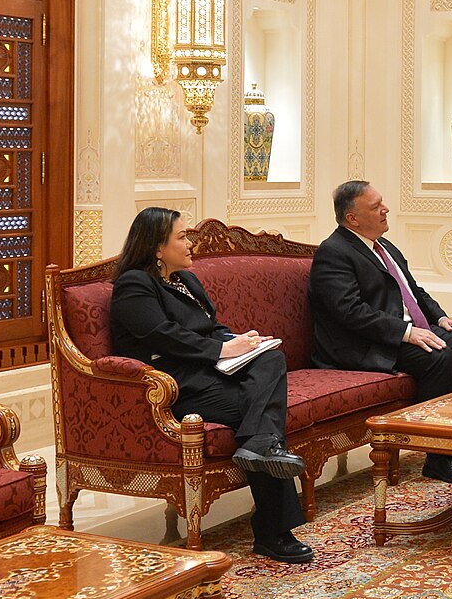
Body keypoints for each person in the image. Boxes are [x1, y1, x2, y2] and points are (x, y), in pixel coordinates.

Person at [109, 207, 315, 564]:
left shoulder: (187, 281)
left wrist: (242, 341)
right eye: (182, 237)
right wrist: (222, 349)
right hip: (173, 387)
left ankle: (263, 448)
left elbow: (211, 327)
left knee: (271, 358)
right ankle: (273, 531)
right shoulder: (135, 285)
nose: (191, 244)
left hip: (212, 371)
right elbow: (162, 336)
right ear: (158, 248)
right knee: (259, 416)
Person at [310, 180, 452, 485]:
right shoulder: (334, 252)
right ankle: (439, 458)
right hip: (363, 344)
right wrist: (406, 333)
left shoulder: (384, 246)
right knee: (438, 356)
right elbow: (349, 312)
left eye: (382, 202)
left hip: (400, 332)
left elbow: (413, 290)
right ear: (352, 218)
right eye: (376, 206)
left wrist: (442, 318)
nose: (385, 209)